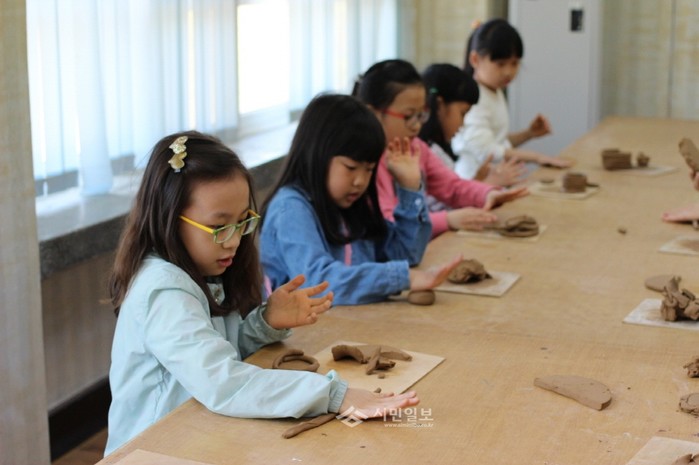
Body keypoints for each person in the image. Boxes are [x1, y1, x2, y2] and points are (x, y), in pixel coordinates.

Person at [104, 130, 419, 455]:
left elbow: (218, 351)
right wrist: (334, 394)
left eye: (243, 222)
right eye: (218, 227)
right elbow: (222, 381)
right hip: (152, 451)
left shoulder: (201, 267)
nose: (234, 241)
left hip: (199, 433)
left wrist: (264, 322)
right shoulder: (164, 290)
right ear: (169, 218)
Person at [260, 94, 462, 306]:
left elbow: (406, 256)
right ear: (316, 154)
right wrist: (403, 278)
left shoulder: (353, 205)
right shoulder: (290, 209)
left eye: (369, 169)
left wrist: (410, 187)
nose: (360, 181)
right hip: (306, 328)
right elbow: (318, 283)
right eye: (351, 168)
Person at [352, 58, 528, 238]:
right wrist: (447, 220)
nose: (416, 126)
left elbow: (452, 186)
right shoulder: (365, 162)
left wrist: (487, 194)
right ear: (373, 113)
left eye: (421, 115)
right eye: (408, 116)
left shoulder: (416, 148)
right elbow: (388, 224)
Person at [451, 18, 574, 180]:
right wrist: (536, 157)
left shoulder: (493, 91)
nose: (508, 72)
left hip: (494, 180)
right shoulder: (474, 100)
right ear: (475, 60)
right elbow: (487, 151)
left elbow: (498, 142)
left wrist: (529, 133)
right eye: (500, 64)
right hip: (472, 182)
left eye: (514, 63)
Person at [419, 62, 527, 188]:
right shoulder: (426, 153)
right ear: (439, 106)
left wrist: (477, 181)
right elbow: (446, 200)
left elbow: (453, 193)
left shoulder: (439, 150)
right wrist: (486, 184)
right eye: (462, 113)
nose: (463, 124)